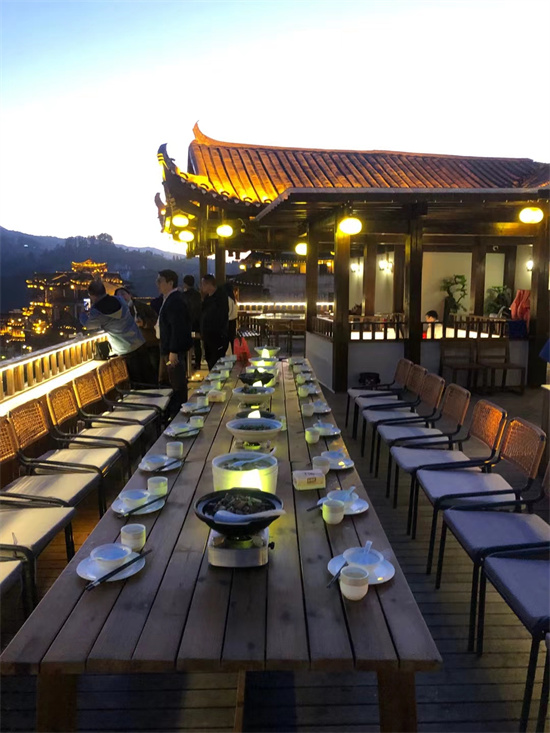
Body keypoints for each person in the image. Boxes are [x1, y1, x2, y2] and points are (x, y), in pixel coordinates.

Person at [80, 280, 156, 384]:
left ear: (92, 295)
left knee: (137, 382)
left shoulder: (97, 311)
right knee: (149, 378)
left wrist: (82, 313)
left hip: (124, 349)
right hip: (139, 342)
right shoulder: (119, 300)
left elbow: (88, 325)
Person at [156, 269, 192, 414]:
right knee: (171, 381)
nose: (157, 284)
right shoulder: (170, 298)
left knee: (177, 383)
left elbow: (177, 327)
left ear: (170, 283)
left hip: (172, 350)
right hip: (168, 348)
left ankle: (179, 413)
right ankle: (174, 412)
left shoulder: (175, 301)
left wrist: (174, 350)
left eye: (160, 281)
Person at [115, 287, 160, 378]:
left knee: (153, 370)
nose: (121, 297)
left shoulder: (142, 306)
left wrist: (144, 323)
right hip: (133, 348)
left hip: (149, 344)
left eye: (123, 294)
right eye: (118, 296)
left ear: (130, 295)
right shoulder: (119, 312)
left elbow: (157, 320)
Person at [200, 274, 228, 369]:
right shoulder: (207, 298)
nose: (201, 287)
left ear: (209, 284)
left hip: (217, 336)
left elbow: (221, 316)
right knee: (210, 361)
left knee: (217, 362)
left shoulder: (221, 297)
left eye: (203, 284)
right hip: (207, 336)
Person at [181, 274, 203, 369]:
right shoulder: (197, 295)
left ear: (185, 284)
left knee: (186, 345)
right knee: (197, 345)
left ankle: (186, 364)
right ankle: (198, 363)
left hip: (186, 324)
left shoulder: (183, 296)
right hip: (197, 323)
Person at [224, 281, 238, 354]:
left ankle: (228, 355)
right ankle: (232, 354)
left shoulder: (228, 299)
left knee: (227, 340)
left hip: (228, 322)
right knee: (232, 340)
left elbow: (228, 311)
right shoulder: (234, 299)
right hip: (233, 321)